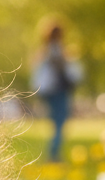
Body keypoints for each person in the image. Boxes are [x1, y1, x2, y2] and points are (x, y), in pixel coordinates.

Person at [31, 21, 82, 162]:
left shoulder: (43, 51)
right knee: (60, 122)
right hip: (58, 90)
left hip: (47, 90)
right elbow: (67, 71)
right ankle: (54, 155)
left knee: (56, 122)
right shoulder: (59, 51)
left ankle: (54, 153)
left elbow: (37, 73)